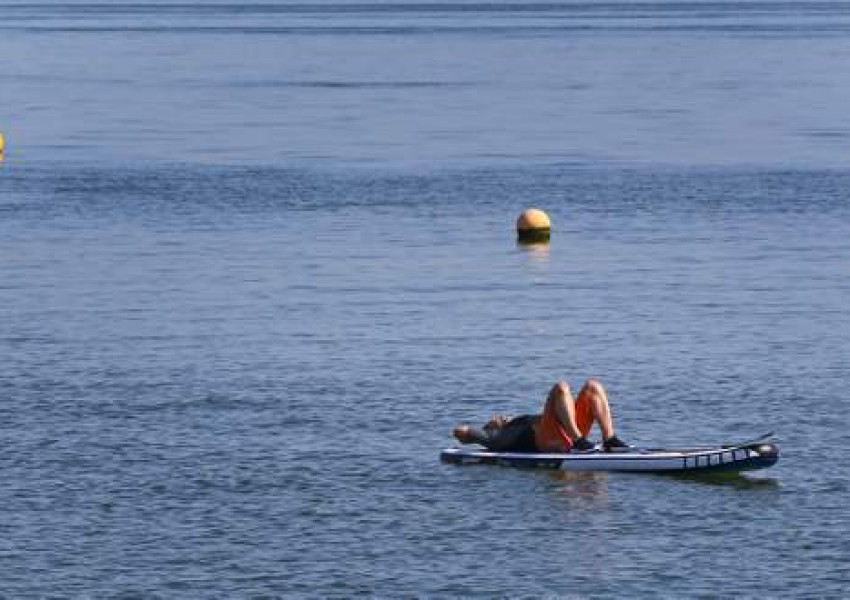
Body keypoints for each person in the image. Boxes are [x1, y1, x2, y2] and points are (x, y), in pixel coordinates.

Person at [452, 379, 629, 453]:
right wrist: (486, 428)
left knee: (593, 386)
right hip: (549, 439)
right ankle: (577, 441)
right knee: (561, 387)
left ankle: (609, 439)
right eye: (497, 419)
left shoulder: (516, 421)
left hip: (566, 428)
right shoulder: (499, 438)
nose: (500, 416)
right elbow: (460, 432)